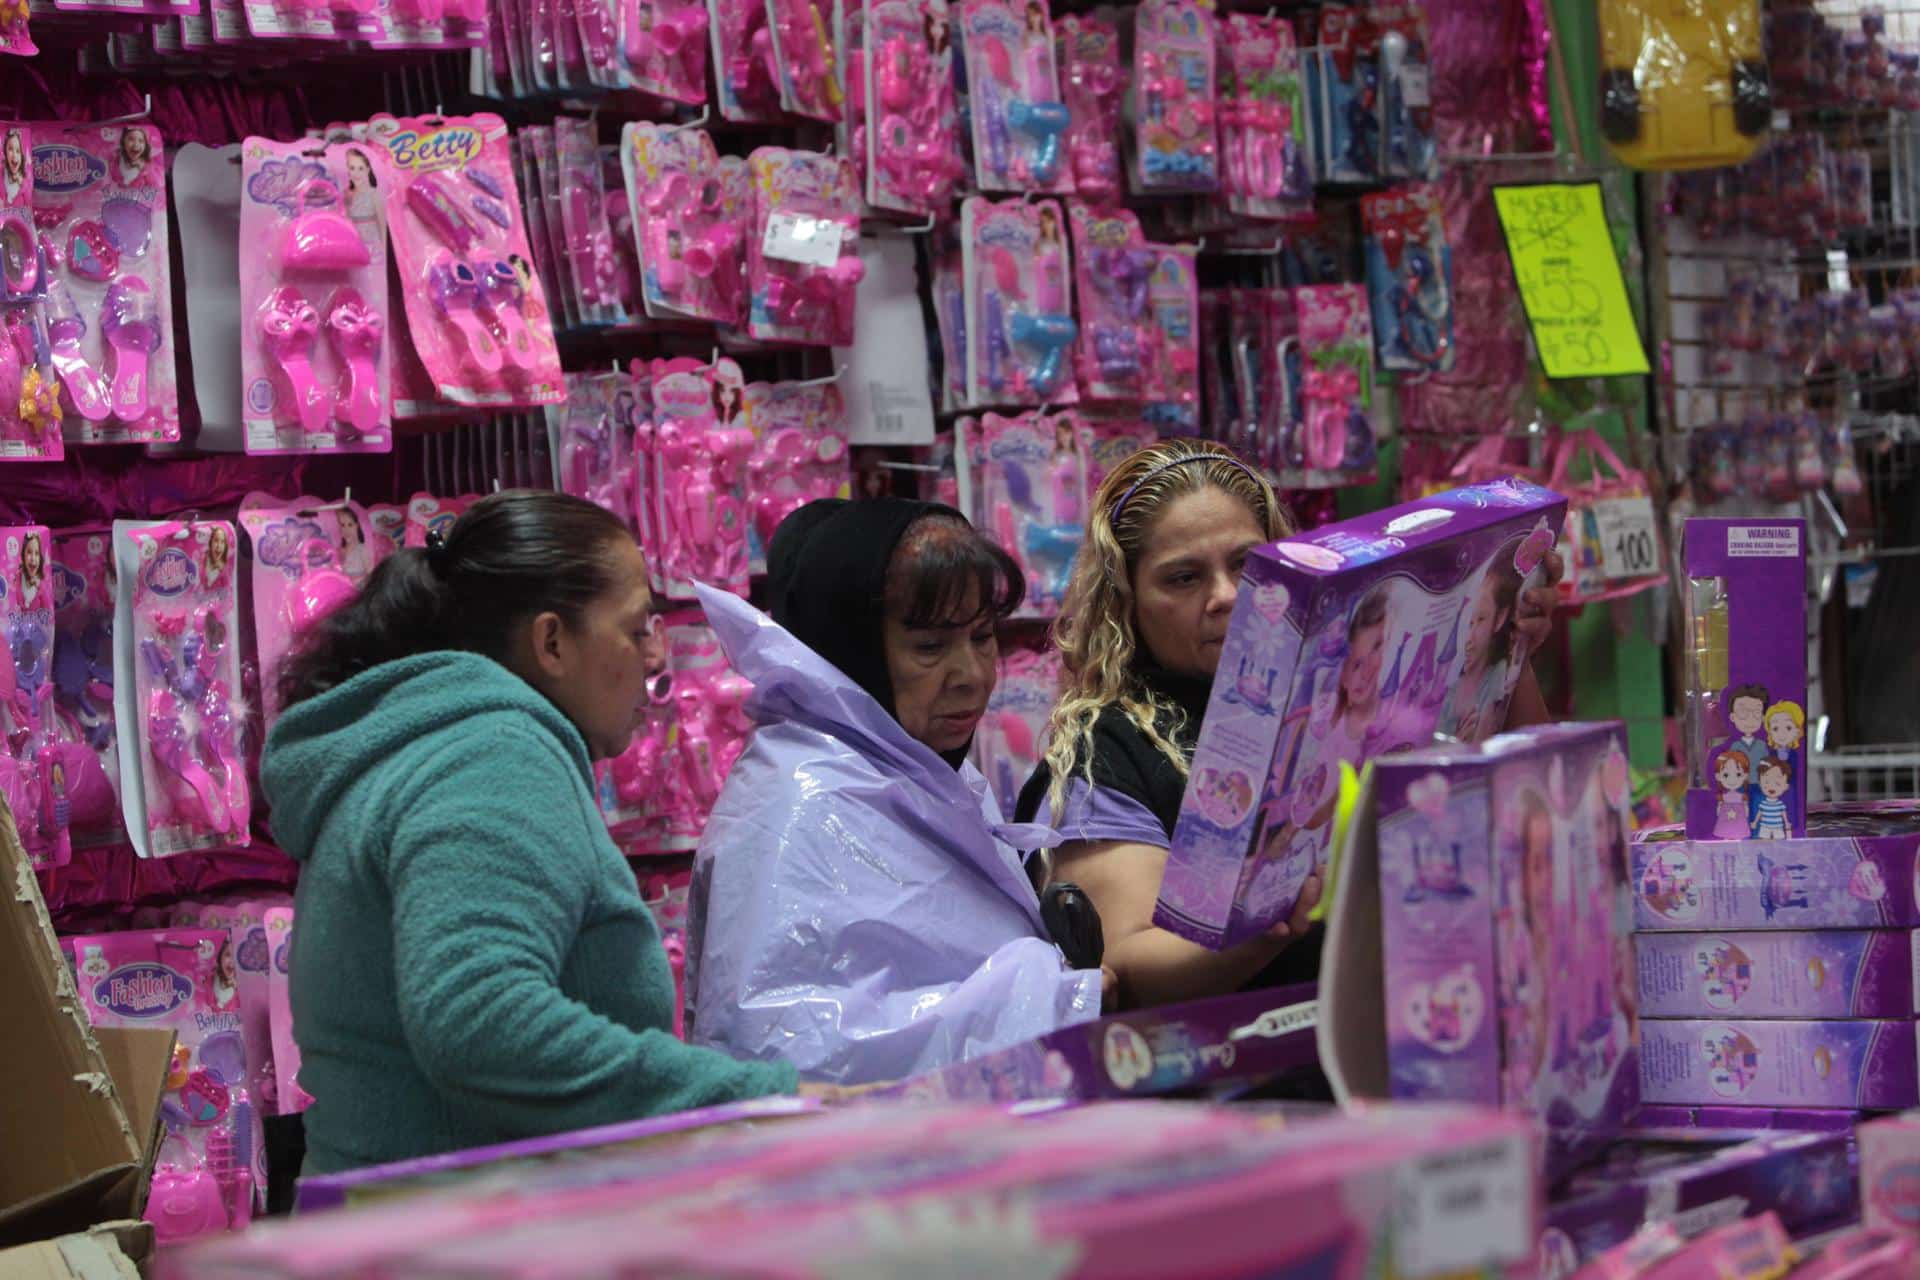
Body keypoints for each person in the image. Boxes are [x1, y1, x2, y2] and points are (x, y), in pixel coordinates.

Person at [262, 491, 797, 1175]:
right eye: (636, 630)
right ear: (550, 643)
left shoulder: (441, 742)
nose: (658, 656)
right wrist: (752, 1103)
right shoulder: (491, 754)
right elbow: (479, 1018)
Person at [1016, 439, 1561, 1009]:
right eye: (1183, 579)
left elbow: (1531, 802)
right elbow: (1127, 964)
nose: (1227, 597)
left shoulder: (1352, 681)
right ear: (1127, 601)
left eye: (1247, 565)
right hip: (1246, 1080)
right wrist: (1265, 920)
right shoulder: (1106, 747)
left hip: (1423, 1026)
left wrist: (1508, 650)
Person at [688, 497, 1105, 1086]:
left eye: (983, 636)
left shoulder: (918, 766)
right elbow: (794, 1059)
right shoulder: (797, 805)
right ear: (852, 650)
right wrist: (1057, 995)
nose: (973, 673)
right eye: (930, 647)